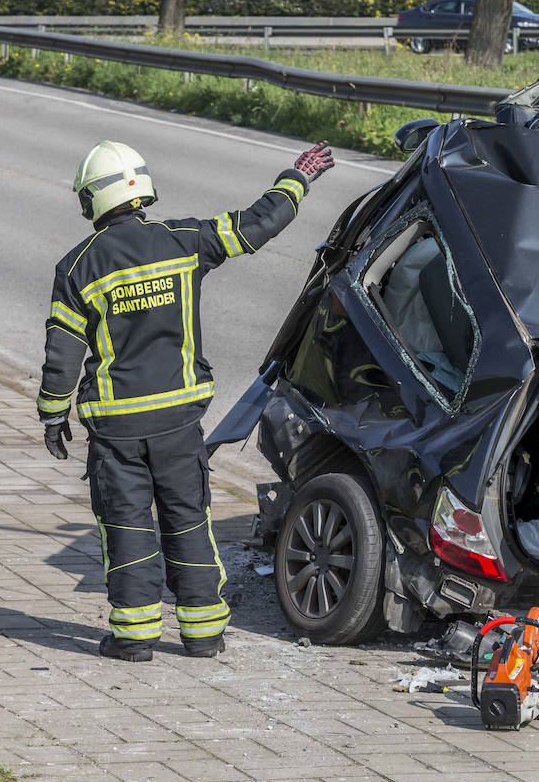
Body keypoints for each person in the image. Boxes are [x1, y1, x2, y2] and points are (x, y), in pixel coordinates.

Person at [38, 139, 334, 661]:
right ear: (142, 190)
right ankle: (202, 634)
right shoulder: (183, 240)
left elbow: (62, 353)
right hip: (179, 419)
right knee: (188, 520)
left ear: (91, 201)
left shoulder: (77, 266)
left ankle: (133, 638)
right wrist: (298, 178)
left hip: (116, 429)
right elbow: (256, 225)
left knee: (127, 527)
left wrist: (52, 413)